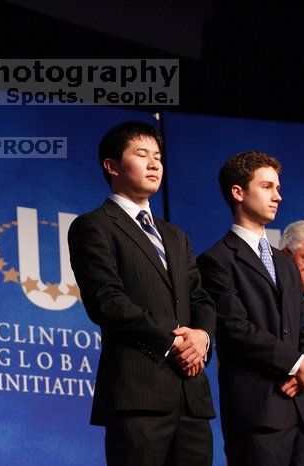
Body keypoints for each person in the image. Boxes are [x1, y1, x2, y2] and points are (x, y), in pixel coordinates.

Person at [68, 121, 216, 466]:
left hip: (191, 395)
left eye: (158, 157)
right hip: (138, 394)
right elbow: (107, 300)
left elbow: (201, 299)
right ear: (112, 165)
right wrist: (175, 339)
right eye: (142, 155)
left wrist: (203, 337)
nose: (154, 164)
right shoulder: (95, 226)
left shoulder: (176, 236)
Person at [197, 152, 304, 465]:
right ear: (238, 192)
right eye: (267, 187)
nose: (277, 196)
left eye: (278, 188)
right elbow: (234, 329)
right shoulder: (216, 261)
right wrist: (295, 363)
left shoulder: (284, 262)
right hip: (259, 415)